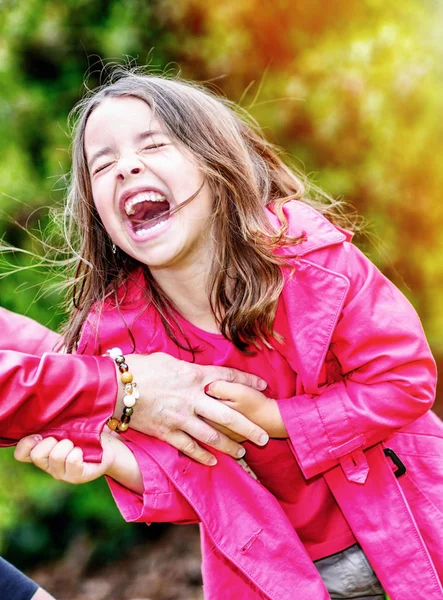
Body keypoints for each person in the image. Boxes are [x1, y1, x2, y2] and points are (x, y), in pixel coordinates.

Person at [15, 70, 443, 599]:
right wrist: (113, 460)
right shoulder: (122, 340)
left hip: (413, 530)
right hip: (275, 575)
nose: (126, 166)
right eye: (103, 165)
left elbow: (404, 380)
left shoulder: (308, 261)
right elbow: (193, 482)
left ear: (216, 164)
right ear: (100, 216)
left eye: (153, 144)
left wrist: (276, 419)